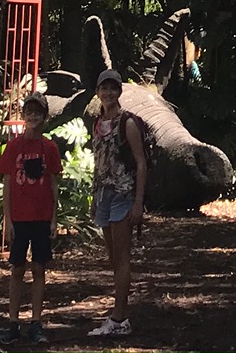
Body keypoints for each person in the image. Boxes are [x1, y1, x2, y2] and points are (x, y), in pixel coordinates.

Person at [0, 91, 61, 345]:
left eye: (37, 112)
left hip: (42, 216)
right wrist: (8, 219)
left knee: (39, 268)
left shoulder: (50, 148)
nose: (33, 116)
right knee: (17, 269)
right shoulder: (14, 147)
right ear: (23, 116)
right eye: (29, 112)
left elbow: (54, 183)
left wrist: (55, 218)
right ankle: (13, 322)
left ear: (44, 117)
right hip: (20, 217)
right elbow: (8, 184)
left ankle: (36, 321)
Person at [88, 65, 147, 341]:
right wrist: (93, 197)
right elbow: (98, 162)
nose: (108, 92)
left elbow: (140, 163)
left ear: (119, 91)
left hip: (123, 194)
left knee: (122, 257)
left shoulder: (128, 123)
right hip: (104, 194)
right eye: (104, 88)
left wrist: (138, 202)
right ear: (98, 92)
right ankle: (117, 311)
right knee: (113, 257)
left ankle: (120, 318)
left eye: (113, 88)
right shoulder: (97, 124)